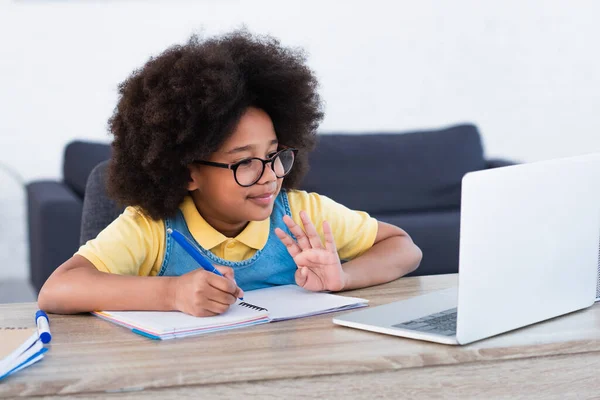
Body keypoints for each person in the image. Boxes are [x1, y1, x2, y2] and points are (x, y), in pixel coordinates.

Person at [38, 30, 422, 317]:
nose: (270, 176)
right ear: (188, 172)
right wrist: (171, 294)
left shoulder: (302, 217)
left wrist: (344, 278)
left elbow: (404, 247)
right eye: (245, 162)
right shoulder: (152, 229)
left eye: (274, 155)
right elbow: (58, 289)